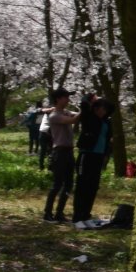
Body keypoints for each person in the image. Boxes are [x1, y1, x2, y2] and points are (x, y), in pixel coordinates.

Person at [73, 94, 112, 222]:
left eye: (104, 109)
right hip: (86, 155)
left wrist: (106, 156)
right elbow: (84, 103)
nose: (102, 111)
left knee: (93, 186)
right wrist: (93, 98)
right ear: (95, 108)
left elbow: (107, 141)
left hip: (98, 156)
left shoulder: (106, 122)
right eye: (99, 108)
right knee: (82, 185)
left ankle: (86, 214)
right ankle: (77, 216)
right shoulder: (88, 118)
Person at [42, 88, 80, 222]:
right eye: (65, 97)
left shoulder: (65, 112)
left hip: (69, 152)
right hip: (59, 152)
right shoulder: (54, 115)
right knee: (57, 184)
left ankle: (59, 213)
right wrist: (85, 110)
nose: (68, 100)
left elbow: (76, 115)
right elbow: (73, 120)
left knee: (69, 184)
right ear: (58, 99)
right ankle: (47, 213)